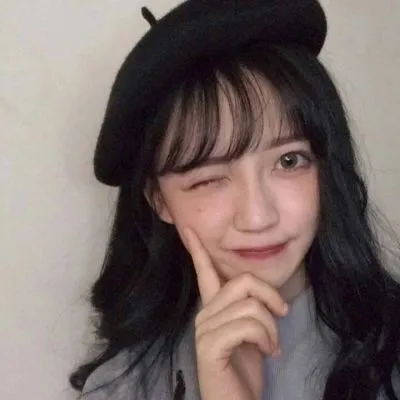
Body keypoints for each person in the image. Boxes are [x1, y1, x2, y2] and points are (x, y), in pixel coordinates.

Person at [70, 0, 400, 399]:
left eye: (289, 161)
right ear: (159, 201)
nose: (257, 217)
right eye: (209, 179)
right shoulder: (119, 387)